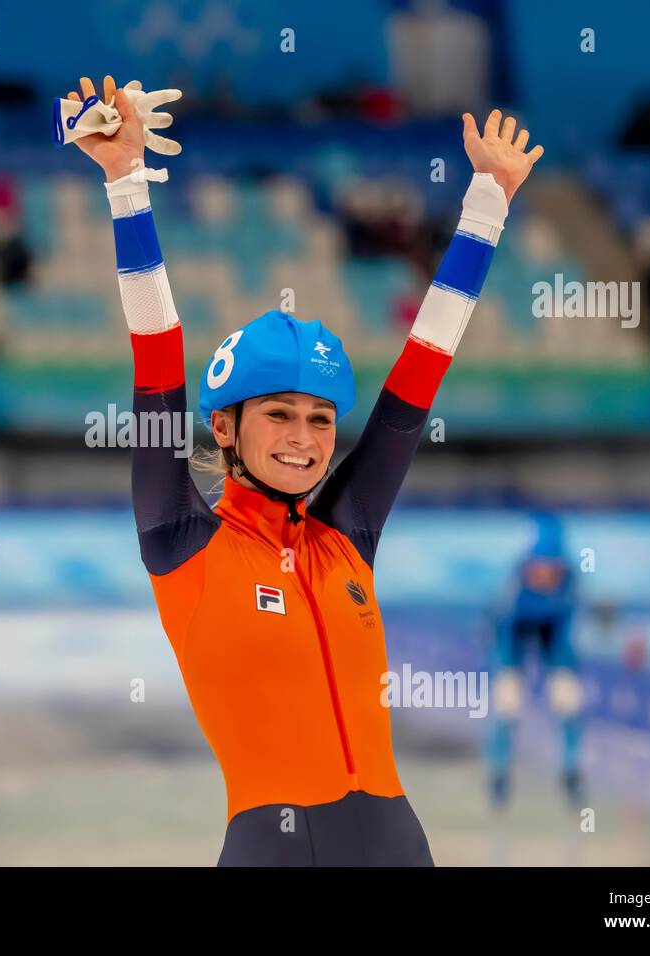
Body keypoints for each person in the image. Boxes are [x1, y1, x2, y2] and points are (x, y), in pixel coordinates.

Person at [62, 75, 542, 865]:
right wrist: (124, 183)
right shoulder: (182, 538)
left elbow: (419, 376)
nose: (304, 437)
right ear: (225, 425)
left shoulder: (345, 538)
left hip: (397, 842)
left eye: (321, 419)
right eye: (279, 413)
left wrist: (487, 202)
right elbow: (155, 359)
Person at [488, 514, 583, 808]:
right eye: (537, 569)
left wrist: (563, 671)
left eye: (551, 569)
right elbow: (502, 633)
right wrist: (506, 670)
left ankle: (570, 771)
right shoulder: (513, 588)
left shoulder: (569, 583)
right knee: (507, 702)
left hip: (553, 632)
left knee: (567, 699)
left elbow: (564, 641)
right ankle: (500, 773)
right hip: (513, 632)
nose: (543, 576)